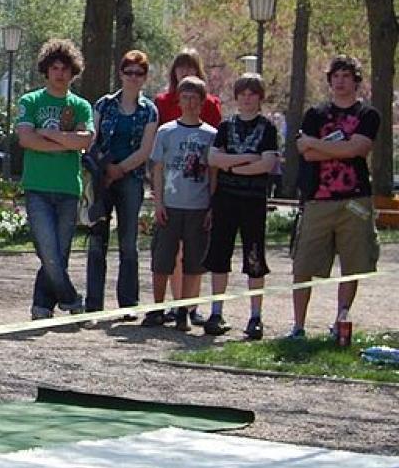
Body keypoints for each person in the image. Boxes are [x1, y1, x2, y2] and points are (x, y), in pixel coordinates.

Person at [290, 55, 382, 339]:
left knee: (353, 265)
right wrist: (336, 147)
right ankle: (298, 327)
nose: (341, 81)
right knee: (303, 265)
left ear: (356, 80)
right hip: (318, 198)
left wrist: (317, 146)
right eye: (336, 76)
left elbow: (357, 149)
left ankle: (339, 323)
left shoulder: (369, 115)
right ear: (330, 80)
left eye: (346, 76)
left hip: (355, 201)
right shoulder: (315, 114)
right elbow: (306, 154)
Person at [14, 39, 95, 321]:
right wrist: (66, 143)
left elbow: (87, 139)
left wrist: (49, 135)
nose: (60, 74)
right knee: (48, 251)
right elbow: (26, 138)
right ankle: (72, 299)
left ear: (73, 72)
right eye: (55, 68)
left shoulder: (81, 106)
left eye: (65, 69)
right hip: (37, 187)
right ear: (46, 71)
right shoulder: (31, 101)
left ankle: (42, 305)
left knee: (59, 254)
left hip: (68, 188)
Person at [203, 73, 280, 339]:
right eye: (243, 94)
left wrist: (233, 165)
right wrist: (247, 159)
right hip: (225, 200)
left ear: (260, 98)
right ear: (236, 97)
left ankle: (255, 316)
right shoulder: (225, 126)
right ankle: (216, 311)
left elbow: (267, 164)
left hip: (254, 201)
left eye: (252, 94)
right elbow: (213, 158)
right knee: (219, 255)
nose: (247, 99)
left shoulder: (268, 128)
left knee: (255, 257)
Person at [84, 50, 159, 320]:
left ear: (145, 77)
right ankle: (92, 304)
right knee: (97, 240)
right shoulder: (104, 104)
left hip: (131, 179)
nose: (133, 78)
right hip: (102, 178)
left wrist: (121, 169)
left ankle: (128, 304)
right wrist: (103, 169)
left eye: (139, 73)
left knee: (128, 242)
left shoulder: (149, 110)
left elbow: (145, 149)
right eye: (129, 72)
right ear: (121, 74)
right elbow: (92, 139)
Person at [153, 49, 222, 325]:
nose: (190, 103)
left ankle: (186, 309)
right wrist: (158, 202)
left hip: (198, 205)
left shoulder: (211, 135)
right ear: (178, 100)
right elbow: (157, 168)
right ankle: (158, 308)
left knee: (194, 262)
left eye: (196, 98)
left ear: (203, 102)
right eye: (185, 97)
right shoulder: (166, 131)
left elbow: (214, 172)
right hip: (170, 203)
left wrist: (211, 205)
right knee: (163, 260)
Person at [154, 49, 223, 126]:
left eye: (190, 67)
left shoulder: (211, 103)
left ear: (197, 71)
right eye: (181, 67)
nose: (185, 72)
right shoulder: (162, 102)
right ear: (174, 71)